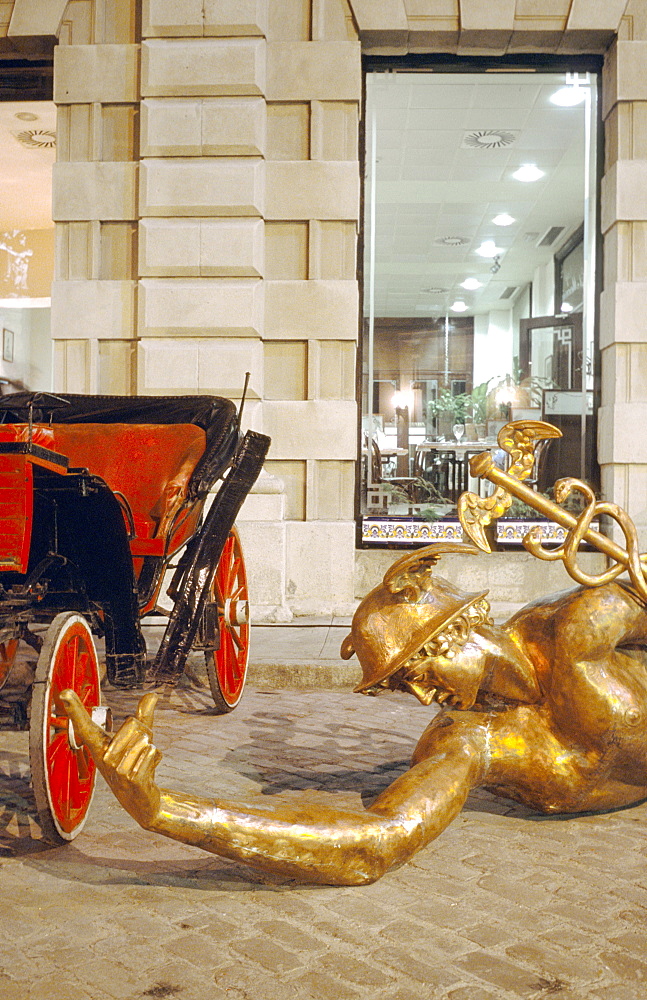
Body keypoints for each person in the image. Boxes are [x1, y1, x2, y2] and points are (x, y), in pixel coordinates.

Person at [61, 543, 647, 886]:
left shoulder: (579, 627)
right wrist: (165, 811)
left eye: (417, 673)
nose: (422, 699)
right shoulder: (469, 739)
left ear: (452, 631)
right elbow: (374, 844)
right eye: (404, 687)